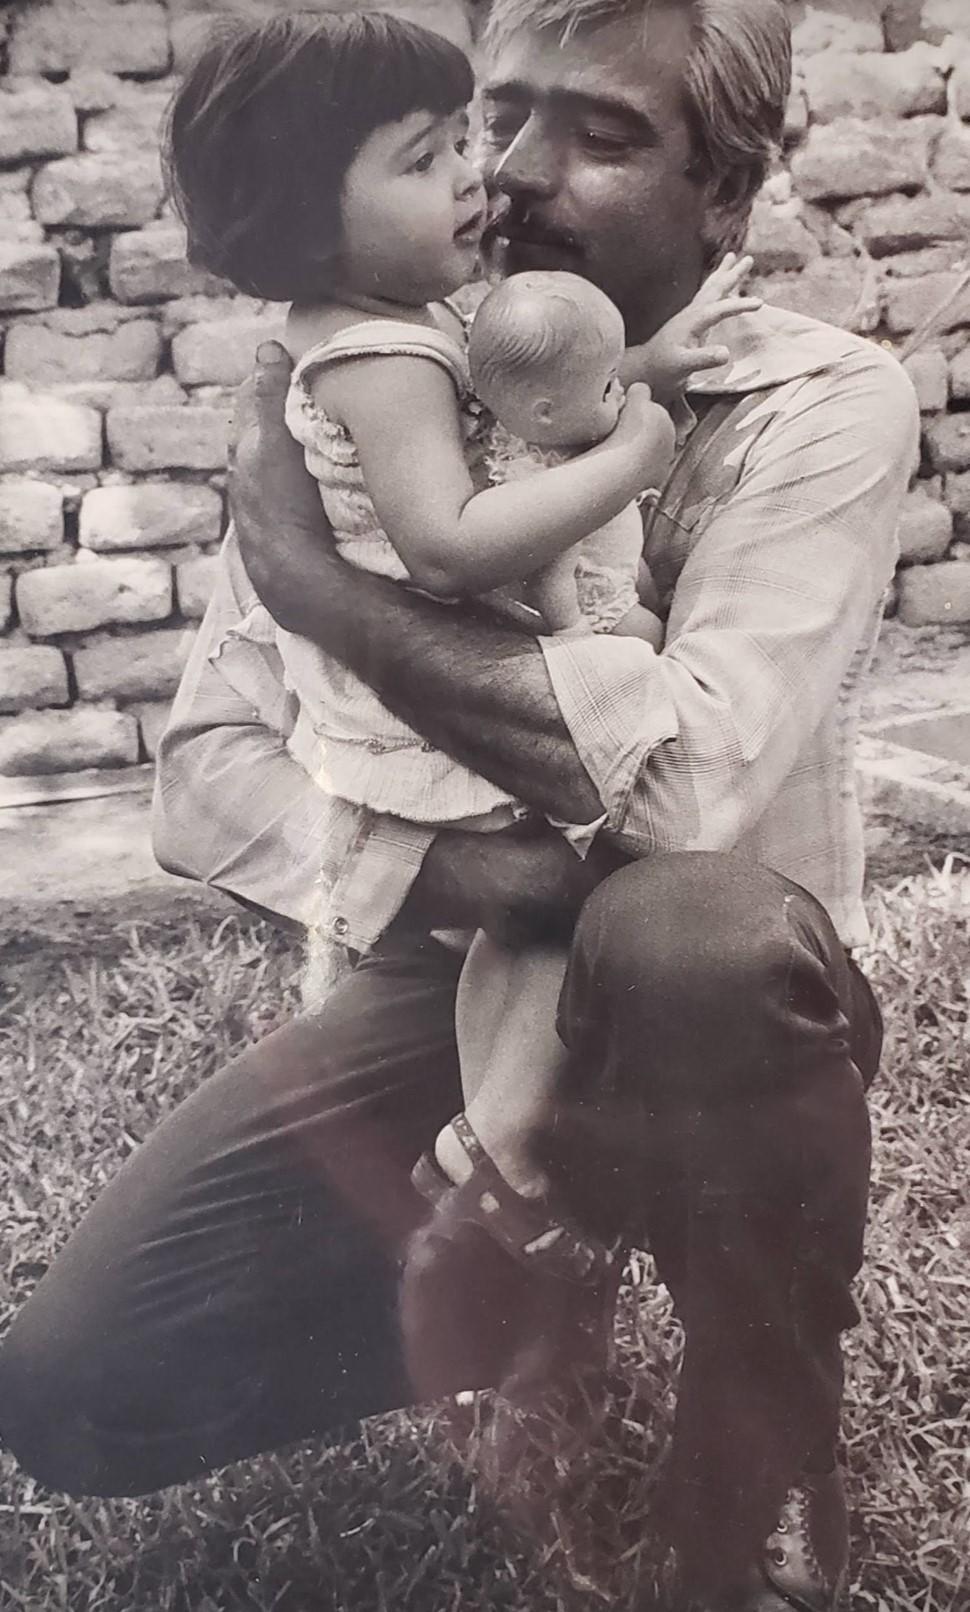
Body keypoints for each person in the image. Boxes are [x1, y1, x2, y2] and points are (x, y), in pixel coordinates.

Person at [0, 0, 921, 1607]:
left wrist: (337, 601)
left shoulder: (820, 402)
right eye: (491, 119)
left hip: (710, 1007)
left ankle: (752, 1454)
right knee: (77, 1390)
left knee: (688, 935)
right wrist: (443, 875)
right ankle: (518, 1306)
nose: (516, 174)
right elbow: (209, 774)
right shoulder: (381, 373)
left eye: (603, 134)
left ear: (731, 192)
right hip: (453, 969)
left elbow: (687, 788)